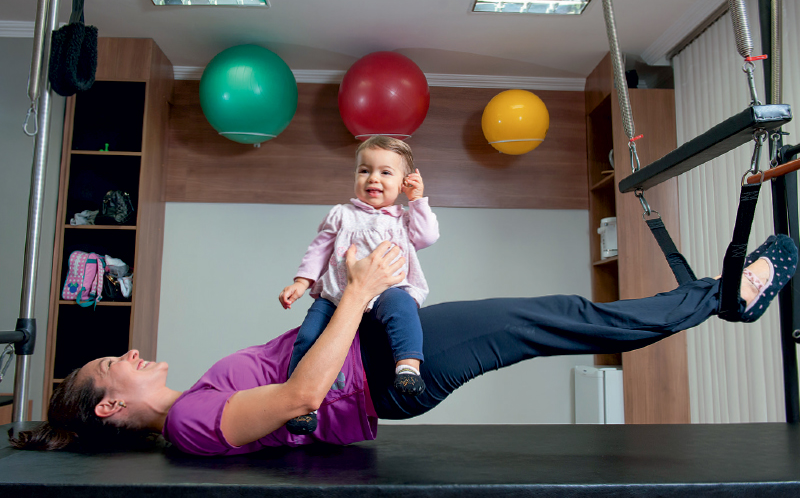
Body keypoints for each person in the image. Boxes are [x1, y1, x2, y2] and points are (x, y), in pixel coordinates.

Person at [10, 235, 797, 456]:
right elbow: (299, 399)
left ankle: (723, 299)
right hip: (380, 369)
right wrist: (355, 291)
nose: (134, 353)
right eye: (118, 364)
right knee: (564, 316)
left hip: (378, 354)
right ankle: (732, 296)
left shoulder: (192, 408)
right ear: (111, 402)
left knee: (564, 316)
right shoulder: (186, 425)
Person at [277, 136, 438, 433]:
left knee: (403, 308)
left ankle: (408, 367)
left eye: (385, 172)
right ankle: (298, 403)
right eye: (364, 170)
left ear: (404, 182)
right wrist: (301, 282)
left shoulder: (404, 219)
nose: (373, 178)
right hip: (335, 296)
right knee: (308, 336)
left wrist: (417, 200)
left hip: (387, 291)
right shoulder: (342, 215)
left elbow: (427, 236)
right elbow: (319, 249)